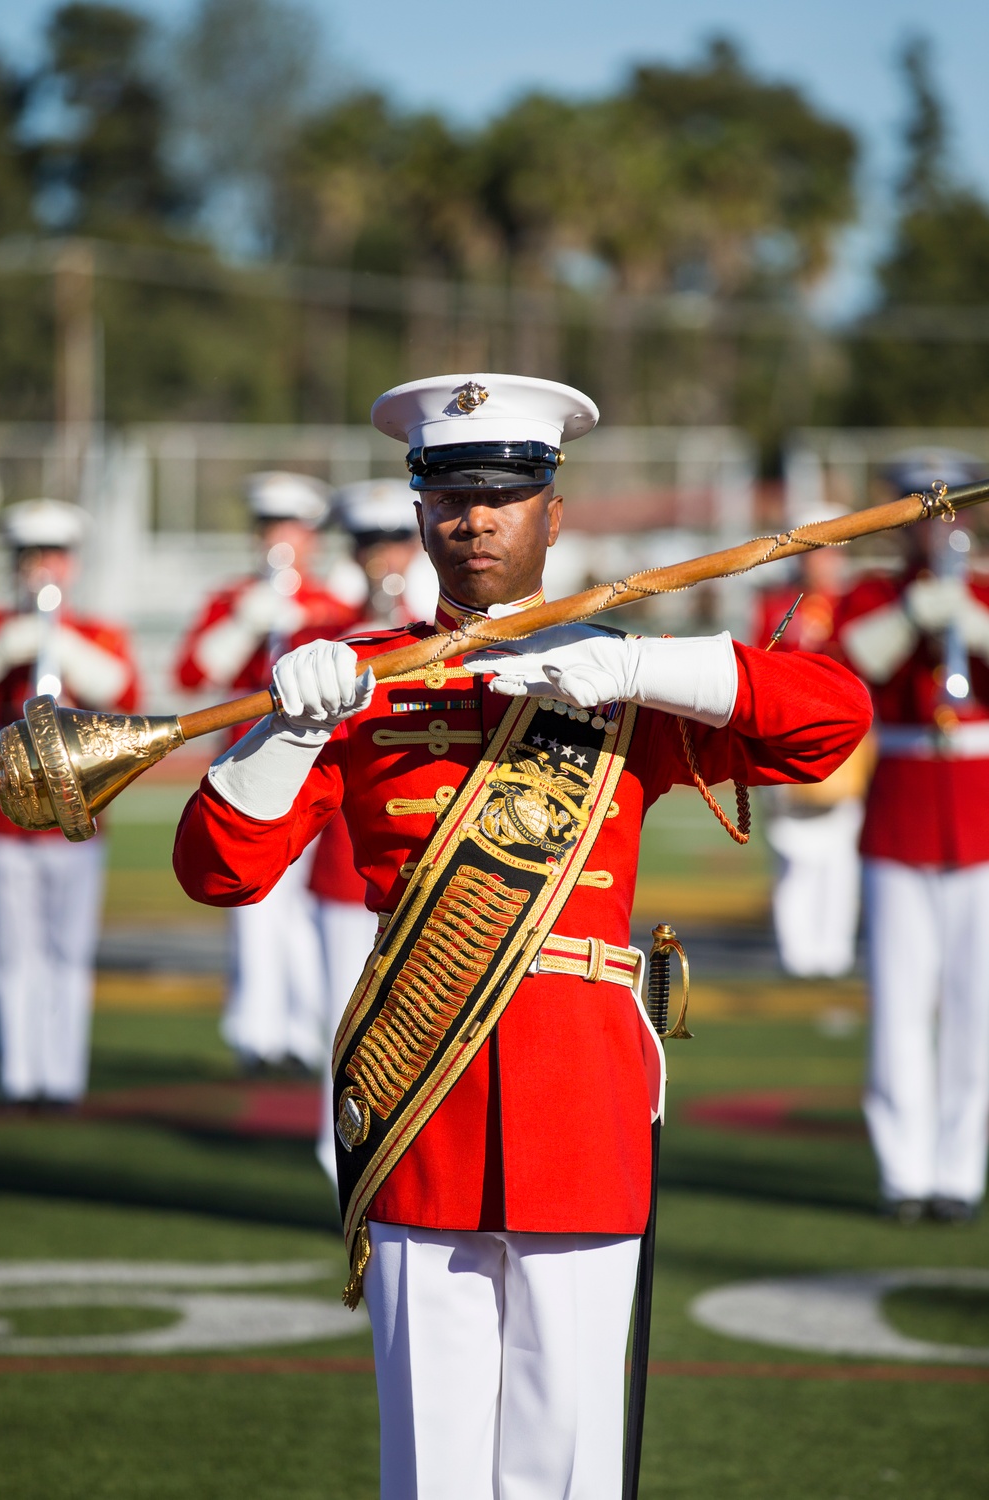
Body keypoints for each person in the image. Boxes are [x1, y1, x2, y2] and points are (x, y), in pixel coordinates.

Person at [173, 372, 871, 1499]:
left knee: (570, 1462)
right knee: (430, 1466)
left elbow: (830, 723)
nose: (475, 519)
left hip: (577, 1103)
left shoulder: (620, 679)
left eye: (505, 494)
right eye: (450, 494)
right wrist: (284, 732)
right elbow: (217, 871)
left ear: (553, 509)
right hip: (418, 1100)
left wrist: (644, 666)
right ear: (418, 512)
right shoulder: (358, 679)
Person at [835, 447, 989, 1226]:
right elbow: (850, 665)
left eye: (949, 510)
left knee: (977, 1011)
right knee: (899, 1006)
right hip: (900, 818)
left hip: (981, 818)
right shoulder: (874, 593)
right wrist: (914, 613)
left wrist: (969, 616)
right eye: (923, 511)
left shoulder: (985, 593)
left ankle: (959, 1173)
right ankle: (905, 1170)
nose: (938, 527)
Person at [175, 470, 361, 1073]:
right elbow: (194, 674)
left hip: (319, 769)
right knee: (253, 903)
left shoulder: (334, 605)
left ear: (311, 538)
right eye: (268, 528)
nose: (278, 540)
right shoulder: (234, 600)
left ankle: (307, 1030)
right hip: (248, 766)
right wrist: (246, 621)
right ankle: (256, 1031)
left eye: (291, 529)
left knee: (314, 904)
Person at [307, 478, 437, 1187]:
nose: (382, 556)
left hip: (427, 867)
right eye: (368, 544)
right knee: (344, 1013)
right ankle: (342, 1157)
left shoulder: (446, 631)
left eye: (394, 541)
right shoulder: (322, 634)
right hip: (342, 862)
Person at [0, 499, 139, 1104]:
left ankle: (62, 1078)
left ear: (71, 566)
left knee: (67, 953)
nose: (42, 570)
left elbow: (122, 692)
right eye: (30, 558)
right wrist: (10, 648)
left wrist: (60, 644)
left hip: (77, 821)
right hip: (4, 825)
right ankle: (20, 1073)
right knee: (10, 952)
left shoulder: (97, 632)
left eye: (52, 557)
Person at [753, 502, 871, 977]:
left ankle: (834, 953)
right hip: (788, 737)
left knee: (841, 852)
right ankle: (799, 954)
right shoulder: (775, 605)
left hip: (844, 742)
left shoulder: (852, 603)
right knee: (794, 852)